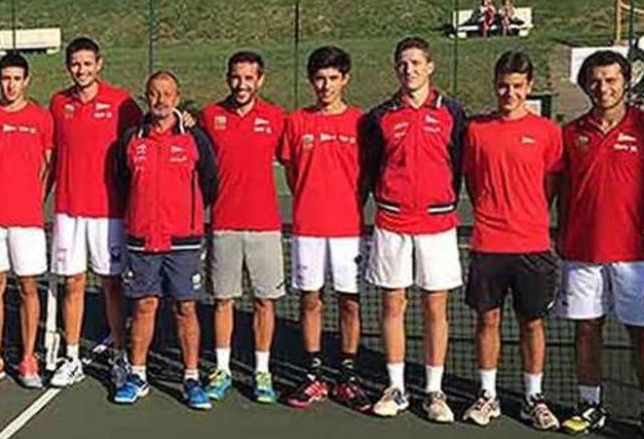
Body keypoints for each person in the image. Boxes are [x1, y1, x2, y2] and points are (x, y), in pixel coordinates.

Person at [558, 50, 644, 439]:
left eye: (611, 80)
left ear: (625, 82)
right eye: (596, 80)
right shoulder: (572, 133)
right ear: (586, 84)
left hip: (637, 256)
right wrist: (562, 233)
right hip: (582, 253)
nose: (603, 87)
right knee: (587, 330)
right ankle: (590, 406)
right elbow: (566, 189)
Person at [360, 37, 467, 422]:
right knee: (393, 305)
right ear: (396, 69)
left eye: (417, 63)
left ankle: (434, 391)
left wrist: (441, 200)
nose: (410, 70)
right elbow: (370, 168)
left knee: (435, 307)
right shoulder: (380, 117)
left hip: (437, 224)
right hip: (392, 221)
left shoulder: (453, 111)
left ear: (430, 66)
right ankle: (396, 387)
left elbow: (458, 165)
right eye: (403, 64)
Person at [459, 51, 562, 430]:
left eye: (518, 86)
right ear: (494, 84)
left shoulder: (548, 132)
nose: (510, 93)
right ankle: (488, 395)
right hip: (488, 244)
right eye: (503, 85)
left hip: (532, 245)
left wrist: (530, 215)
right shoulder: (476, 130)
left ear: (530, 87)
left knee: (532, 324)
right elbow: (471, 180)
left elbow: (550, 185)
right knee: (488, 322)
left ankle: (533, 397)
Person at [113, 71, 218, 410]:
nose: (161, 100)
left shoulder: (195, 139)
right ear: (147, 97)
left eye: (167, 94)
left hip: (183, 240)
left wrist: (185, 216)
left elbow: (210, 182)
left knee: (185, 307)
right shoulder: (131, 138)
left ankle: (190, 378)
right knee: (144, 305)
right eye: (154, 94)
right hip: (142, 238)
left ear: (177, 96)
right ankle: (137, 375)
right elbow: (121, 181)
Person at [47, 37, 143, 389]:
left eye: (88, 63)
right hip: (69, 211)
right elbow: (51, 155)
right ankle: (72, 357)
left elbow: (143, 144)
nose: (81, 70)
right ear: (68, 66)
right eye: (75, 64)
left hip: (109, 213)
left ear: (99, 64)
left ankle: (121, 355)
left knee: (111, 284)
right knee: (73, 283)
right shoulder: (58, 103)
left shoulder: (123, 104)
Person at [281, 47, 371, 411]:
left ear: (345, 79)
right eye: (320, 78)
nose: (326, 85)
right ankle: (312, 375)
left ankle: (347, 377)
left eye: (333, 78)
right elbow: (291, 172)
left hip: (348, 228)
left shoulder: (361, 123)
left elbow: (365, 178)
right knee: (310, 299)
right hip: (308, 228)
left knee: (349, 301)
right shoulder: (297, 121)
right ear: (310, 80)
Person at [199, 51, 286, 404]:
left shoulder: (277, 118)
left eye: (249, 78)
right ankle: (222, 369)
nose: (242, 84)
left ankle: (262, 372)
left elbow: (292, 163)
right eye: (236, 77)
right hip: (224, 225)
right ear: (228, 78)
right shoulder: (210, 116)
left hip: (265, 226)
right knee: (224, 301)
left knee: (265, 301)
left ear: (260, 80)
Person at [0, 54, 54, 388]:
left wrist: (34, 199)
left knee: (29, 287)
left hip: (28, 220)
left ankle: (29, 357)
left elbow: (47, 166)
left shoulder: (41, 118)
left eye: (17, 78)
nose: (11, 84)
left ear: (27, 81)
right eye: (6, 78)